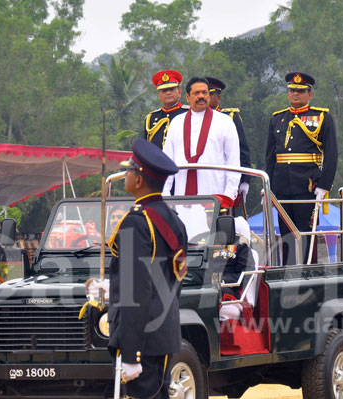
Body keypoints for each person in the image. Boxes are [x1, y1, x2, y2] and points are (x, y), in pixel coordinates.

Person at [88, 139, 188, 399]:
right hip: (163, 334)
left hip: (141, 340)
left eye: (130, 171)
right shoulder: (173, 220)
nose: (126, 175)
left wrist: (132, 354)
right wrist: (113, 287)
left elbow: (137, 292)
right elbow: (166, 281)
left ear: (140, 180)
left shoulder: (135, 223)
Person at [265, 72, 338, 265]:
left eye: (300, 91)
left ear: (309, 94)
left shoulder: (321, 117)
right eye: (292, 90)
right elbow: (270, 157)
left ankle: (308, 274)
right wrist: (268, 187)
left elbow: (331, 154)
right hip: (281, 186)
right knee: (286, 233)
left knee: (307, 234)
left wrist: (324, 185)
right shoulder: (277, 119)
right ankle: (287, 273)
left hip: (307, 186)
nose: (295, 94)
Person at [163, 76, 241, 205]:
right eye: (196, 93)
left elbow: (233, 162)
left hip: (215, 198)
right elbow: (167, 162)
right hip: (181, 198)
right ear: (187, 97)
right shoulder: (176, 122)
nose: (201, 96)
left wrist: (228, 196)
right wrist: (165, 195)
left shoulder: (224, 121)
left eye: (205, 92)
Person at [205, 76, 251, 203]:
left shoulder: (230, 117)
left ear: (218, 97)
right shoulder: (192, 118)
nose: (205, 98)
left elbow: (242, 150)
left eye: (210, 94)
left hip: (224, 179)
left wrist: (245, 180)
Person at [143, 69, 189, 149]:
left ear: (180, 92)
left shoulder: (189, 113)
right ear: (159, 95)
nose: (168, 93)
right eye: (164, 91)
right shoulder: (151, 118)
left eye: (171, 89)